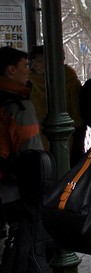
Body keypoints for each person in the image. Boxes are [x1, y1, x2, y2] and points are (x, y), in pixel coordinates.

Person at [0, 47, 43, 221]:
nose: (29, 70)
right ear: (11, 70)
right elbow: (31, 153)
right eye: (25, 65)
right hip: (12, 187)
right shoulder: (18, 106)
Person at [28, 45, 85, 163]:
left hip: (64, 138)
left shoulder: (69, 81)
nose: (34, 65)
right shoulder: (28, 81)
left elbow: (77, 114)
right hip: (34, 135)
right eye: (32, 61)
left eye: (39, 61)